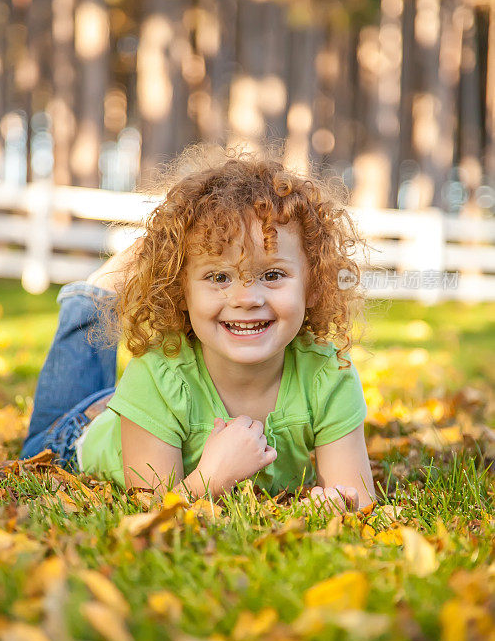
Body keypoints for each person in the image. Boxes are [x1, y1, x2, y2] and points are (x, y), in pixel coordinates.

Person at [21, 145, 376, 514]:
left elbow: (356, 497)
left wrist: (337, 504)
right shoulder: (157, 374)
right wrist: (213, 477)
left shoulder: (328, 373)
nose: (246, 298)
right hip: (76, 433)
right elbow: (150, 509)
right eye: (219, 276)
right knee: (90, 319)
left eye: (272, 275)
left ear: (314, 283)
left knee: (154, 400)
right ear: (182, 290)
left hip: (158, 405)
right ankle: (94, 294)